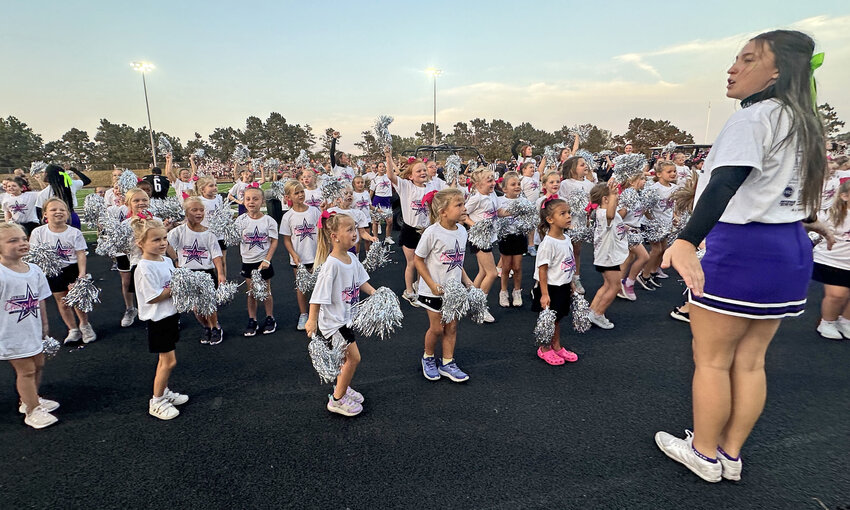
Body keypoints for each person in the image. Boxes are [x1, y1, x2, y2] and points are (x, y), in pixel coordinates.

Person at [655, 30, 829, 483]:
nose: (732, 68)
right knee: (751, 361)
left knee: (712, 360)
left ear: (777, 71)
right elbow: (793, 198)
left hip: (742, 247)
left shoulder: (756, 117)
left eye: (747, 60)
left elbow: (724, 183)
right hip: (787, 247)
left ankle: (705, 454)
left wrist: (686, 240)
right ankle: (730, 453)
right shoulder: (804, 121)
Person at [306, 213, 376, 416]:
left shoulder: (352, 258)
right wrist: (311, 320)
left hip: (347, 318)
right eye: (350, 230)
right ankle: (337, 399)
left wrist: (374, 292)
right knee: (354, 358)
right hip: (335, 324)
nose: (355, 233)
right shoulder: (332, 265)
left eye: (355, 229)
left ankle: (342, 388)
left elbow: (361, 281)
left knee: (345, 360)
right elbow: (317, 297)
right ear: (335, 236)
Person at [0, 223, 59, 429]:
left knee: (39, 365)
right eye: (12, 240)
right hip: (9, 333)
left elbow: (40, 299)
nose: (22, 243)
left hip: (32, 330)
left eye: (24, 238)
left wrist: (44, 324)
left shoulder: (34, 269)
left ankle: (30, 399)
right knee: (25, 371)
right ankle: (32, 410)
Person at [413, 188, 474, 382]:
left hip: (453, 291)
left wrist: (468, 282)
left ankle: (448, 362)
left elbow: (458, 261)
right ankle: (428, 357)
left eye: (463, 204)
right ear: (443, 212)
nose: (464, 208)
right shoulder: (432, 232)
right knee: (437, 328)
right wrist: (431, 284)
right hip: (432, 291)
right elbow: (418, 260)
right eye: (459, 205)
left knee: (452, 327)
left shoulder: (462, 231)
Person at [131, 216, 189, 420]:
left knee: (167, 360)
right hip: (158, 320)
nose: (163, 243)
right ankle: (156, 401)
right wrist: (177, 287)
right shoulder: (144, 268)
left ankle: (163, 392)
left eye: (164, 238)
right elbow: (153, 296)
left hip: (170, 316)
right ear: (141, 244)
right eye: (156, 240)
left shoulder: (165, 260)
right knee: (168, 361)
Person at [30, 198, 96, 344]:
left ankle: (85, 325)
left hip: (72, 269)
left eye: (62, 209)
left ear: (67, 213)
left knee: (77, 299)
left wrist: (82, 274)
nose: (58, 212)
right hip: (52, 271)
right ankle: (72, 329)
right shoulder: (38, 232)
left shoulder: (74, 232)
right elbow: (34, 255)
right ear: (45, 214)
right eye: (53, 209)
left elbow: (80, 253)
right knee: (62, 301)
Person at [166, 197, 225, 345]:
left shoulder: (209, 234)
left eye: (201, 210)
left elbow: (217, 256)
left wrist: (221, 274)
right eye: (194, 210)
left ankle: (215, 327)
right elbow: (166, 244)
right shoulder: (178, 231)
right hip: (187, 273)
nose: (199, 213)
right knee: (196, 307)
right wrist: (176, 261)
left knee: (208, 304)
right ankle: (206, 326)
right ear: (186, 212)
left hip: (206, 272)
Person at [531, 197, 579, 365]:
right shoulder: (547, 243)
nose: (568, 216)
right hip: (550, 288)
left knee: (558, 318)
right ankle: (544, 348)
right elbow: (542, 269)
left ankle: (557, 346)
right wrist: (544, 294)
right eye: (563, 213)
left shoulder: (566, 239)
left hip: (563, 286)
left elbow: (569, 262)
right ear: (550, 219)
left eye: (569, 213)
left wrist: (571, 282)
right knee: (548, 320)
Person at [385, 148, 430, 306]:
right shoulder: (405, 186)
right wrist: (388, 156)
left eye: (424, 170)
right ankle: (408, 291)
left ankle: (420, 287)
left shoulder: (430, 187)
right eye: (419, 171)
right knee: (412, 263)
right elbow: (391, 176)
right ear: (410, 176)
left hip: (426, 231)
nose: (423, 172)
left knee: (422, 262)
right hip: (410, 230)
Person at [463, 167, 509, 322]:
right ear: (478, 184)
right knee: (492, 273)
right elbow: (463, 214)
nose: (493, 183)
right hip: (479, 238)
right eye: (489, 180)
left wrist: (517, 211)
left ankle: (471, 300)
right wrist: (474, 225)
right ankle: (479, 307)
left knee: (483, 271)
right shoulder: (476, 198)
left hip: (489, 237)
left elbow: (499, 212)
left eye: (493, 179)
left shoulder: (493, 194)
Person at [236, 186, 279, 336]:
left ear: (262, 201)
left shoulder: (269, 221)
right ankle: (252, 319)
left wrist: (267, 260)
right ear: (243, 201)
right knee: (252, 292)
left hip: (263, 261)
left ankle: (269, 317)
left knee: (266, 291)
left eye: (255, 199)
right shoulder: (240, 220)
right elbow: (233, 239)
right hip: (248, 262)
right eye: (248, 199)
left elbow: (274, 241)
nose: (251, 202)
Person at [280, 180, 322, 331]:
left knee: (320, 286)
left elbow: (322, 231)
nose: (300, 195)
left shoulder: (314, 211)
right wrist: (293, 254)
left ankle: (319, 314)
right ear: (288, 196)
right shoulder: (288, 216)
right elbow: (286, 239)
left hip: (316, 256)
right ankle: (304, 314)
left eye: (301, 192)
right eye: (296, 193)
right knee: (301, 287)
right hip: (299, 258)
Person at [811, 178, 850, 339]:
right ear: (845, 196)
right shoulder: (833, 215)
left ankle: (846, 321)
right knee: (837, 295)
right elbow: (814, 229)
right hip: (834, 261)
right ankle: (827, 322)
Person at [638, 160, 678, 289]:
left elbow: (673, 206)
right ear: (659, 174)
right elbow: (645, 209)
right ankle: (644, 274)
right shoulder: (654, 188)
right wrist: (653, 222)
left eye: (674, 171)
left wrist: (675, 216)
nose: (673, 174)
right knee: (656, 249)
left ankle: (653, 271)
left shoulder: (674, 188)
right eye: (669, 171)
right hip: (653, 223)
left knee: (663, 249)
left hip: (666, 223)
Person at [559, 156, 595, 295]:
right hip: (568, 222)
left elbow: (590, 204)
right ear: (573, 169)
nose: (585, 166)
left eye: (585, 164)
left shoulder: (589, 184)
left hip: (580, 223)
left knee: (577, 251)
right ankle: (563, 278)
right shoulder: (566, 184)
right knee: (564, 251)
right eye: (581, 165)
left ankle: (576, 277)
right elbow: (562, 203)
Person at [617, 172, 650, 301]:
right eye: (641, 179)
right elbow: (620, 215)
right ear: (631, 182)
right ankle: (629, 283)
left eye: (645, 179)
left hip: (635, 229)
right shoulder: (628, 194)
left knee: (629, 258)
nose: (644, 181)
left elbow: (644, 213)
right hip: (628, 229)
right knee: (644, 256)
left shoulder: (639, 194)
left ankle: (618, 283)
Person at [496, 172, 526, 307]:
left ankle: (517, 291)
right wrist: (515, 211)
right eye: (513, 184)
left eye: (518, 184)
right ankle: (503, 291)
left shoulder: (524, 201)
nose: (517, 186)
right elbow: (500, 213)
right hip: (506, 236)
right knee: (506, 267)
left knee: (518, 267)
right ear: (504, 189)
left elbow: (529, 217)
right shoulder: (500, 200)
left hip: (519, 236)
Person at [36, 164, 90, 229]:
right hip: (72, 217)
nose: (43, 174)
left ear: (47, 175)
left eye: (44, 172)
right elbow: (87, 180)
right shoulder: (71, 184)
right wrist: (73, 169)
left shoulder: (44, 193)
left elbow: (39, 214)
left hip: (55, 221)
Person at [196, 176, 228, 279]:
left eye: (215, 185)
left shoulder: (219, 198)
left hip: (220, 235)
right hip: (206, 235)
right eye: (211, 186)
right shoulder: (199, 201)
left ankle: (223, 285)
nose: (215, 187)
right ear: (202, 189)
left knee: (222, 261)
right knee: (209, 261)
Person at [369, 161, 394, 244]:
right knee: (375, 222)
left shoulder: (389, 177)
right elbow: (372, 192)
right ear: (377, 168)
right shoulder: (374, 180)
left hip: (387, 201)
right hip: (377, 201)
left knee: (389, 221)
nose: (382, 168)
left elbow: (398, 172)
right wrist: (368, 202)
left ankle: (387, 237)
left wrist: (390, 161)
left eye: (383, 166)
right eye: (380, 166)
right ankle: (375, 238)